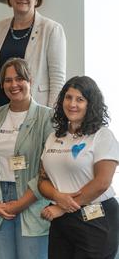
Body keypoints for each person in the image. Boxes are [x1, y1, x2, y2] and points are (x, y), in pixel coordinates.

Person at [39, 76, 119, 258]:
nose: (72, 104)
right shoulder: (54, 137)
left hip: (95, 217)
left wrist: (62, 207)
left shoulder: (102, 136)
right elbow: (43, 179)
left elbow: (102, 182)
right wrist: (57, 197)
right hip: (61, 220)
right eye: (68, 97)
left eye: (80, 99)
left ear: (91, 104)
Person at [0, 58, 53, 259]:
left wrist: (21, 203)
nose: (14, 85)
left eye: (19, 78)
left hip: (33, 199)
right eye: (8, 80)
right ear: (2, 84)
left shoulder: (47, 117)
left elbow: (47, 169)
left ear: (30, 80)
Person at [0, 0, 66, 108]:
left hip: (35, 107)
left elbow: (57, 79)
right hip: (0, 105)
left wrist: (52, 115)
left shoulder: (51, 29)